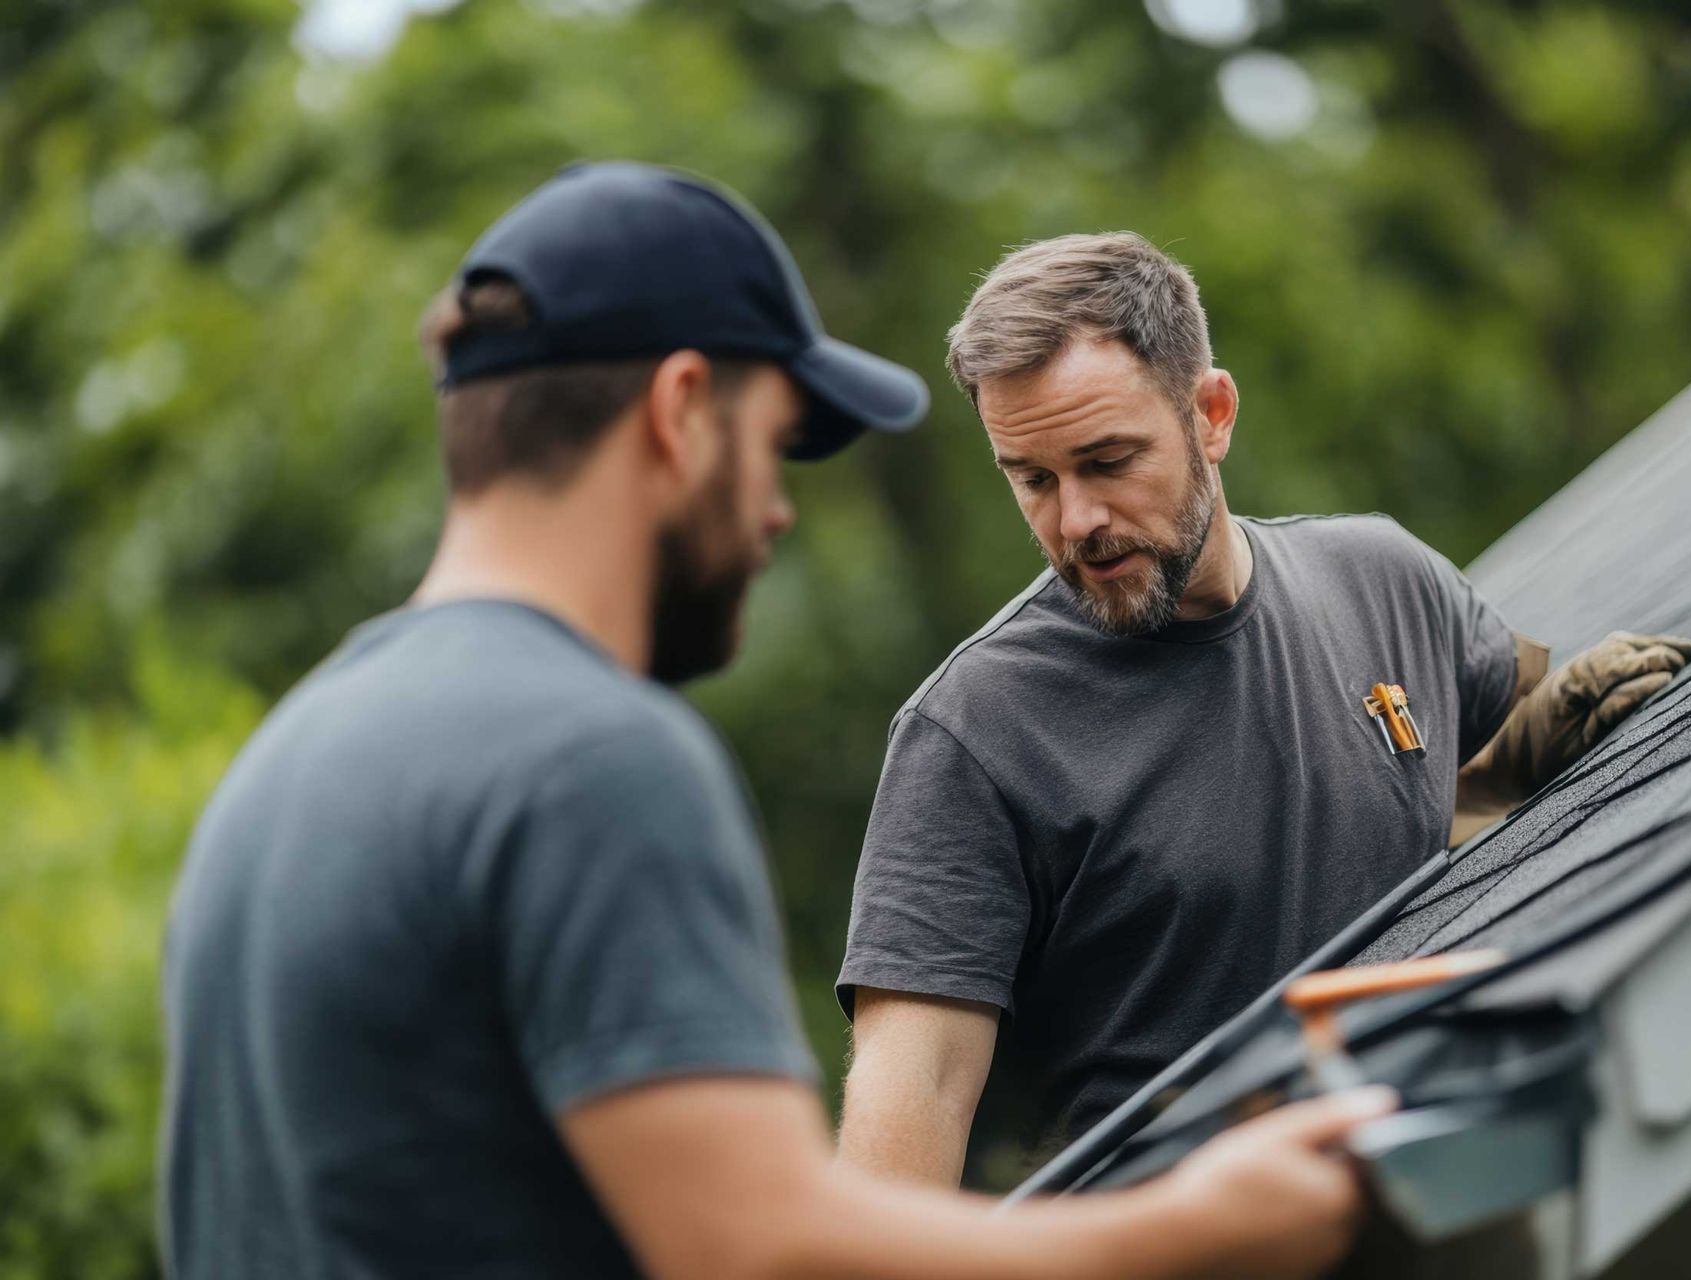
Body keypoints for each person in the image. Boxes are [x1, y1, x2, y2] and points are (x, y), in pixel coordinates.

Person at [159, 163, 1395, 1280]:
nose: (777, 513)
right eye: (772, 445)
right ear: (681, 409)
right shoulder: (587, 758)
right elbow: (772, 1252)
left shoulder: (285, 764)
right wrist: (1203, 1223)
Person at [836, 232, 1691, 1185]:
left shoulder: (1390, 581)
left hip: (1439, 1197)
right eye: (1032, 479)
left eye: (1108, 460)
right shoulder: (975, 730)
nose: (1075, 520)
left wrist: (1545, 739)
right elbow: (910, 1110)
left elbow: (1462, 823)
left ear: (1211, 414)